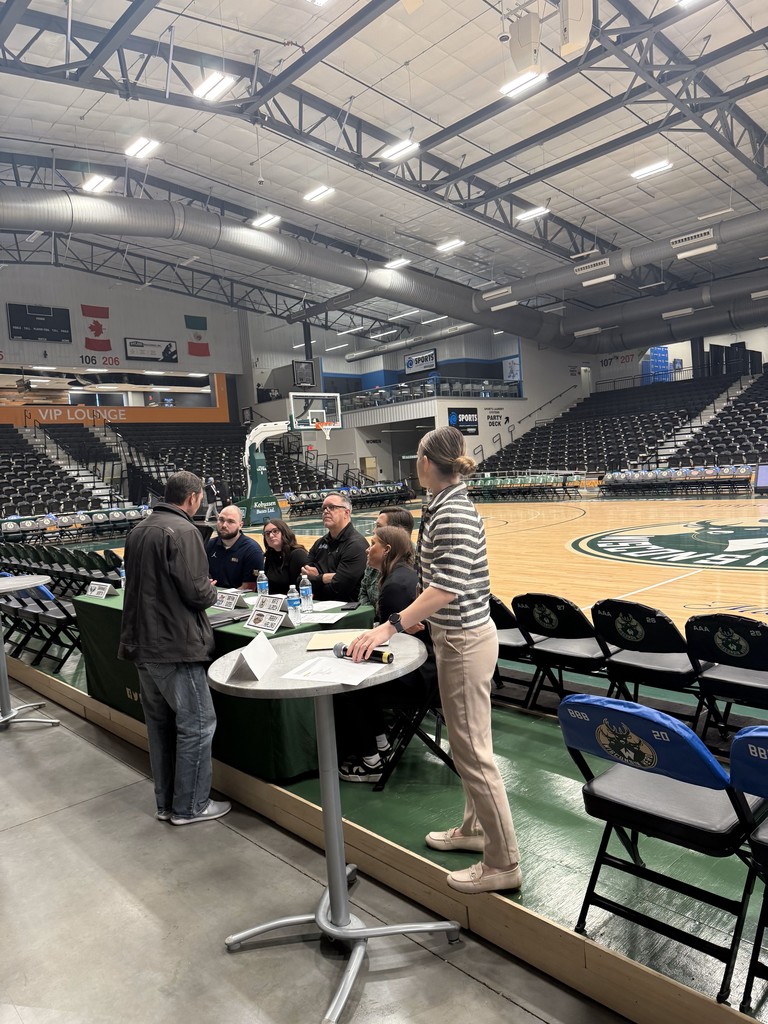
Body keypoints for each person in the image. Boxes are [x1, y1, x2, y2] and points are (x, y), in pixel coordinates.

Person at [348, 426, 521, 894]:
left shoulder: (453, 512)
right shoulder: (442, 504)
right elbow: (441, 583)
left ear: (425, 461)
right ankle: (475, 830)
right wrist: (423, 616)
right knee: (471, 747)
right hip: (456, 636)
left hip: (465, 641)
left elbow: (447, 588)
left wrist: (393, 624)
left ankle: (503, 863)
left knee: (473, 753)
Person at [118, 470, 231, 826]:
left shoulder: (138, 529)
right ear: (194, 498)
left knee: (160, 725)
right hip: (173, 643)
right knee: (197, 723)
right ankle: (191, 806)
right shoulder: (183, 530)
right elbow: (197, 593)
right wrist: (211, 589)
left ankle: (166, 803)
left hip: (142, 643)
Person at [337, 524, 434, 783]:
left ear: (387, 550)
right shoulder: (402, 575)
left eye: (373, 544)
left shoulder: (395, 585)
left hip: (419, 674)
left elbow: (397, 646)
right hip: (425, 666)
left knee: (350, 685)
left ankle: (371, 762)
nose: (368, 550)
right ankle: (381, 747)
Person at [302, 491, 368, 601]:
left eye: (332, 507)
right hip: (319, 607)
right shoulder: (319, 543)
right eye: (324, 508)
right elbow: (302, 579)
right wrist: (326, 578)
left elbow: (339, 588)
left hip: (347, 611)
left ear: (346, 513)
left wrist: (317, 578)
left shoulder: (356, 545)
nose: (326, 511)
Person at [357, 506, 415, 607]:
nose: (374, 531)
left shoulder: (418, 561)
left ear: (397, 531)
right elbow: (363, 592)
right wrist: (373, 615)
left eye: (379, 526)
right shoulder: (375, 555)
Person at [205, 505, 264, 590]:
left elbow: (249, 587)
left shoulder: (252, 550)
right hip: (213, 597)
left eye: (230, 521)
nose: (224, 525)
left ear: (240, 525)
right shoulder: (209, 545)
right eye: (221, 520)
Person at [262, 518, 308, 593]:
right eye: (267, 533)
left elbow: (300, 587)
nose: (271, 535)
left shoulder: (297, 554)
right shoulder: (270, 555)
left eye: (275, 531)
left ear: (284, 532)